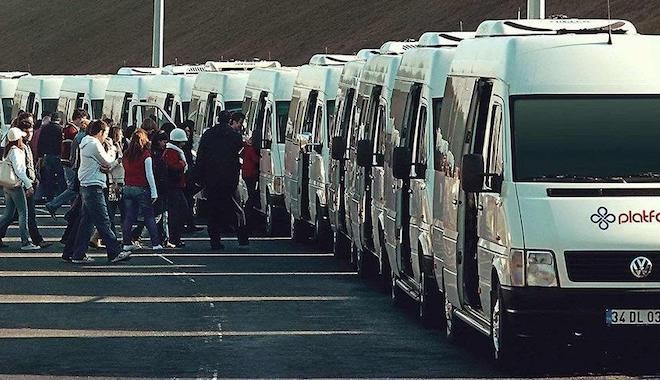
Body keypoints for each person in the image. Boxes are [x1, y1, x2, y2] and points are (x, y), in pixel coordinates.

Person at [68, 120, 131, 264]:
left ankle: (78, 254)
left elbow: (103, 164)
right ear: (100, 132)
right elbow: (107, 162)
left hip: (87, 184)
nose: (106, 137)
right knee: (104, 220)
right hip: (93, 186)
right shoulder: (94, 144)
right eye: (106, 133)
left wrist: (107, 165)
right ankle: (114, 252)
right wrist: (114, 155)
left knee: (86, 222)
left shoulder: (86, 143)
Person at [195, 111, 247, 249]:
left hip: (211, 178)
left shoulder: (208, 134)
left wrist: (198, 177)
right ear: (230, 120)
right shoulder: (234, 136)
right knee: (236, 208)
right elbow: (240, 151)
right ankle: (242, 236)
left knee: (213, 210)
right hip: (229, 178)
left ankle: (215, 240)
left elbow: (201, 156)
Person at [122, 128, 162, 251]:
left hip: (128, 187)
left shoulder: (126, 155)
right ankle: (156, 243)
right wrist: (154, 192)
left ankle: (127, 243)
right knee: (149, 216)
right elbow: (149, 175)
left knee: (129, 217)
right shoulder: (146, 155)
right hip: (142, 188)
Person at [0, 127, 40, 250]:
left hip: (7, 185)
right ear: (18, 139)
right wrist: (29, 185)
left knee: (8, 214)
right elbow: (20, 171)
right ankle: (25, 242)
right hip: (16, 186)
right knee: (23, 213)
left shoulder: (8, 150)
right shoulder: (16, 151)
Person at [45, 108, 89, 218]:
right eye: (83, 119)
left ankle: (72, 211)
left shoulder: (68, 129)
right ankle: (54, 205)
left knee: (74, 189)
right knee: (73, 188)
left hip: (67, 161)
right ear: (78, 118)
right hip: (71, 163)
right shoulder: (73, 131)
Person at [163, 128, 188, 248]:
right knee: (178, 211)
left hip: (173, 185)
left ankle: (174, 237)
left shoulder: (170, 151)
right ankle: (174, 238)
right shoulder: (172, 152)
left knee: (177, 212)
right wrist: (182, 164)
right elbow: (173, 167)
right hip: (174, 185)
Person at [37, 111, 66, 200]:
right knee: (60, 177)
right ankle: (62, 196)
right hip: (56, 156)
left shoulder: (44, 128)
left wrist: (40, 155)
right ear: (59, 120)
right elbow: (61, 144)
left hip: (46, 155)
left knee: (48, 177)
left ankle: (49, 196)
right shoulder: (59, 129)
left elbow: (40, 142)